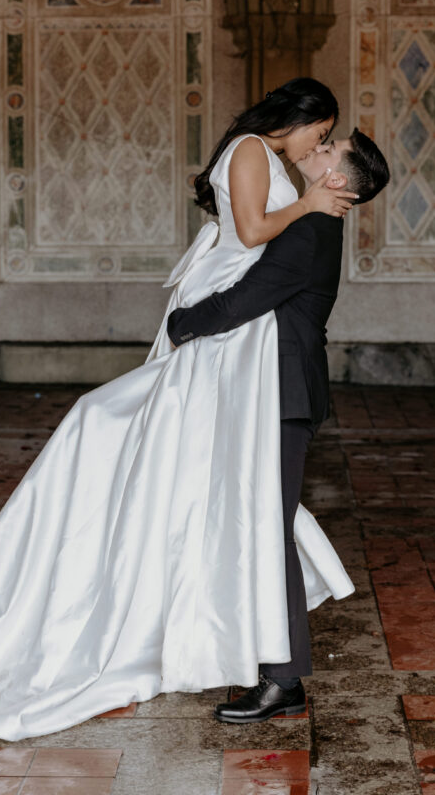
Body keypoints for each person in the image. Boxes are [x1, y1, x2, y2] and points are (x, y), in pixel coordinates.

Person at [0, 78, 359, 741]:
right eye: (325, 131)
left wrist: (196, 318)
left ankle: (267, 670)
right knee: (201, 489)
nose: (322, 144)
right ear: (304, 117)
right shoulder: (260, 155)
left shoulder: (303, 204)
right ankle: (228, 652)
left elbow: (259, 266)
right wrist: (196, 318)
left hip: (255, 364)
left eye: (331, 145)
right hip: (238, 357)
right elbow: (254, 236)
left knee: (243, 512)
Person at [167, 127, 390, 722]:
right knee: (266, 524)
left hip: (284, 394)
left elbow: (246, 299)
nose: (313, 151)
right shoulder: (311, 220)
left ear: (336, 180)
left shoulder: (313, 229)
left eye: (325, 149)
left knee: (269, 529)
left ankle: (284, 681)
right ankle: (269, 666)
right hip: (278, 391)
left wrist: (179, 323)